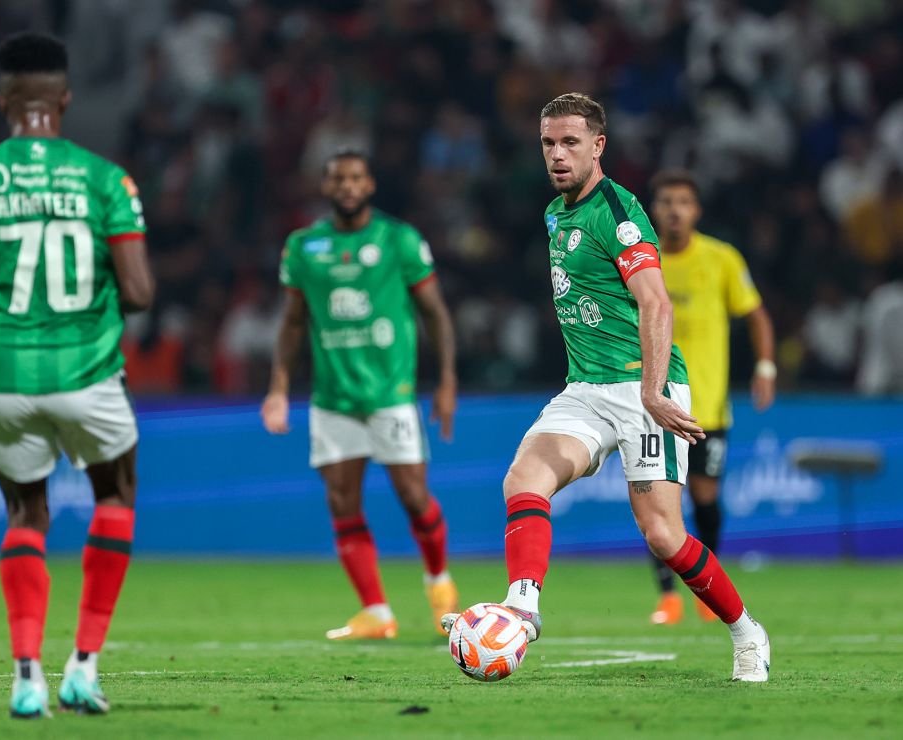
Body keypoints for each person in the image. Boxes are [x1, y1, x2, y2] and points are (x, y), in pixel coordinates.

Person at [442, 93, 771, 682]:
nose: (557, 154)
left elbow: (655, 301)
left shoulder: (617, 211)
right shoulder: (554, 212)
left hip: (645, 386)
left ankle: (747, 632)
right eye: (548, 142)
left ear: (598, 146)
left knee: (664, 535)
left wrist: (650, 391)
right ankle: (522, 608)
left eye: (570, 142)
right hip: (586, 388)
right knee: (523, 479)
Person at [0, 33, 154, 718]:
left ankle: (26, 676)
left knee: (27, 512)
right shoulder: (105, 178)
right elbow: (139, 293)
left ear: (3, 102)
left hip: (7, 377)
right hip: (89, 370)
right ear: (64, 100)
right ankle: (82, 666)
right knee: (116, 497)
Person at [261, 149, 459, 641]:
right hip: (332, 398)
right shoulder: (303, 247)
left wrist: (448, 380)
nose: (347, 186)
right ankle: (376, 611)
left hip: (391, 393)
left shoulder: (399, 240)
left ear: (370, 184)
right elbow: (291, 323)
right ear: (326, 187)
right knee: (342, 502)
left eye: (356, 177)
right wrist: (279, 388)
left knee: (414, 496)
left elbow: (434, 312)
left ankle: (439, 584)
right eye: (337, 179)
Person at [646, 170, 776, 625]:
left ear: (696, 210)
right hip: (654, 405)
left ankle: (706, 588)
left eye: (684, 201)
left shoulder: (721, 259)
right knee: (659, 503)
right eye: (666, 201)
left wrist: (765, 365)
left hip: (708, 408)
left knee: (704, 499)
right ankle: (668, 597)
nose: (675, 210)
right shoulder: (641, 258)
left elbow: (755, 314)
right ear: (654, 209)